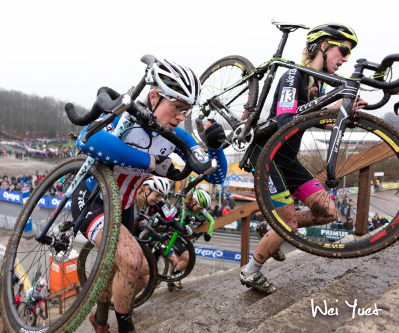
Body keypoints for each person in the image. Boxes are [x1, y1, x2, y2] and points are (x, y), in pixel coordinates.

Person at [71, 58, 227, 333]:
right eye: (177, 108)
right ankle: (125, 327)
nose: (181, 117)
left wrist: (216, 148)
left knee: (115, 266)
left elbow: (213, 175)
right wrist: (152, 163)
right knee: (132, 263)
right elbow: (87, 139)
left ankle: (100, 319)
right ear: (154, 97)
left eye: (186, 111)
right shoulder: (127, 118)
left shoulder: (176, 135)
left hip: (126, 207)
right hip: (94, 199)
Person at [240, 23, 367, 294]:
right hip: (267, 155)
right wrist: (327, 108)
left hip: (288, 158)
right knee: (289, 224)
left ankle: (270, 225)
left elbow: (316, 120)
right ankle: (251, 271)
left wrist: (341, 115)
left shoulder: (319, 82)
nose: (346, 58)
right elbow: (287, 119)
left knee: (328, 212)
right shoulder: (294, 75)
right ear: (323, 46)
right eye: (343, 49)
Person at [167, 188, 214, 291]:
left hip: (183, 236)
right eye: (200, 207)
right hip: (172, 235)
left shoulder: (200, 208)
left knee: (180, 261)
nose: (201, 210)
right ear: (194, 201)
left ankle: (173, 278)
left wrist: (209, 234)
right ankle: (172, 278)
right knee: (187, 257)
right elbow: (168, 218)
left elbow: (212, 221)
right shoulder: (181, 206)